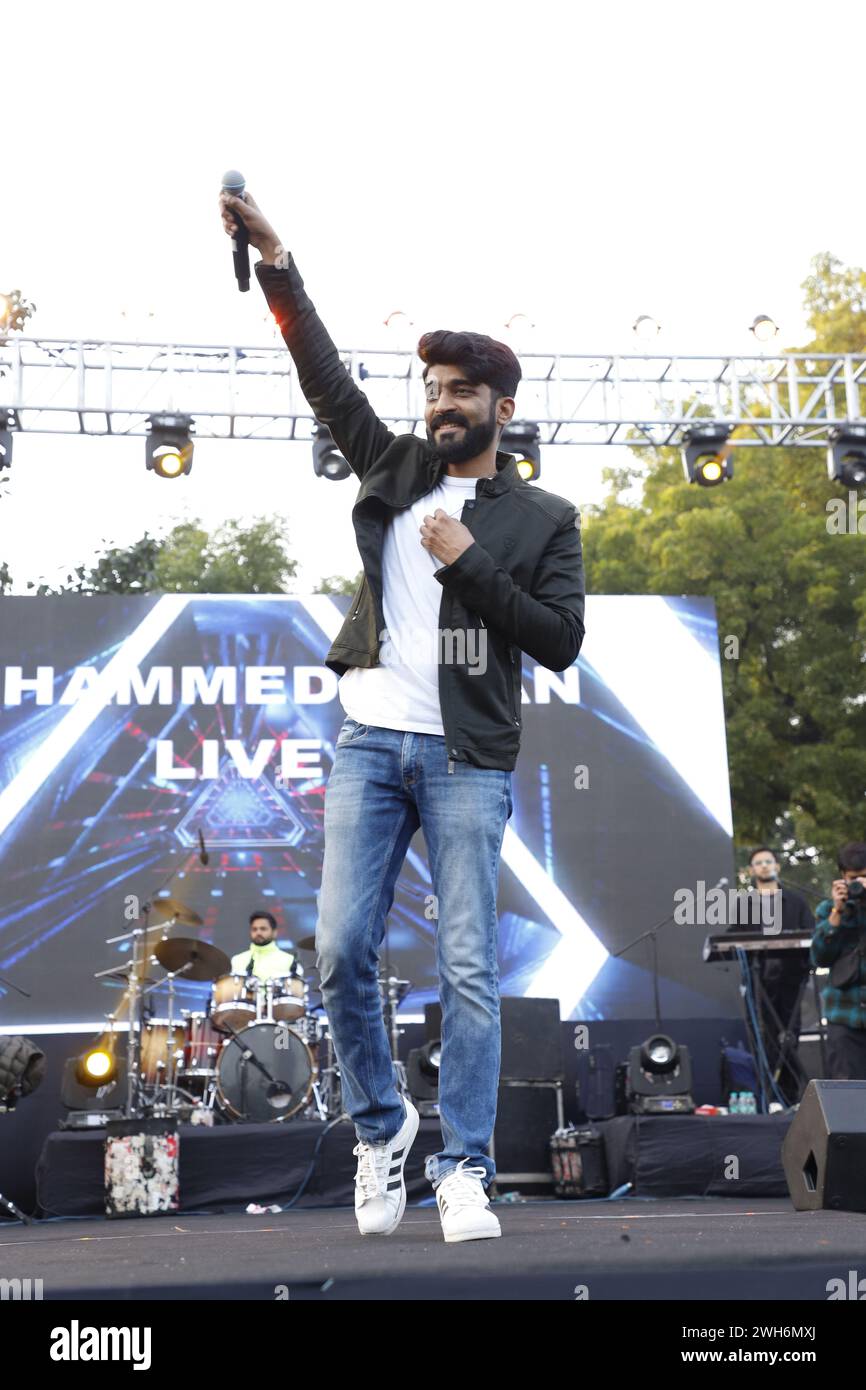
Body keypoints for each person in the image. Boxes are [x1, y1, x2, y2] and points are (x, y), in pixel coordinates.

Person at [219, 188, 585, 1244]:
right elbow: (321, 376)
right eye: (431, 387)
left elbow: (556, 640)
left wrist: (467, 565)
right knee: (338, 950)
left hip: (467, 756)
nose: (440, 402)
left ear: (501, 407)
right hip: (370, 741)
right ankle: (383, 1129)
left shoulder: (541, 520)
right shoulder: (393, 466)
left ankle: (462, 1168)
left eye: (460, 389)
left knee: (468, 965)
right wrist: (279, 264)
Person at [741, 847, 814, 1101]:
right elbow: (732, 938)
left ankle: (792, 1097)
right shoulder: (745, 903)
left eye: (768, 861)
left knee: (789, 1037)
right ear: (752, 871)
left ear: (777, 867)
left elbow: (812, 936)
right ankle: (767, 1098)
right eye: (758, 863)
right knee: (764, 1038)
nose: (763, 866)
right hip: (759, 982)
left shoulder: (796, 902)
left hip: (790, 981)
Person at [810, 842, 866, 1079]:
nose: (861, 884)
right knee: (849, 1096)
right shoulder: (828, 910)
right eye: (855, 878)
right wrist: (837, 912)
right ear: (843, 878)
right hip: (845, 1016)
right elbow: (819, 958)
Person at [230, 910, 296, 981]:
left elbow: (297, 989)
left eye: (263, 929)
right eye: (254, 929)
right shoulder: (237, 960)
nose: (258, 932)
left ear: (274, 932)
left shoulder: (289, 960)